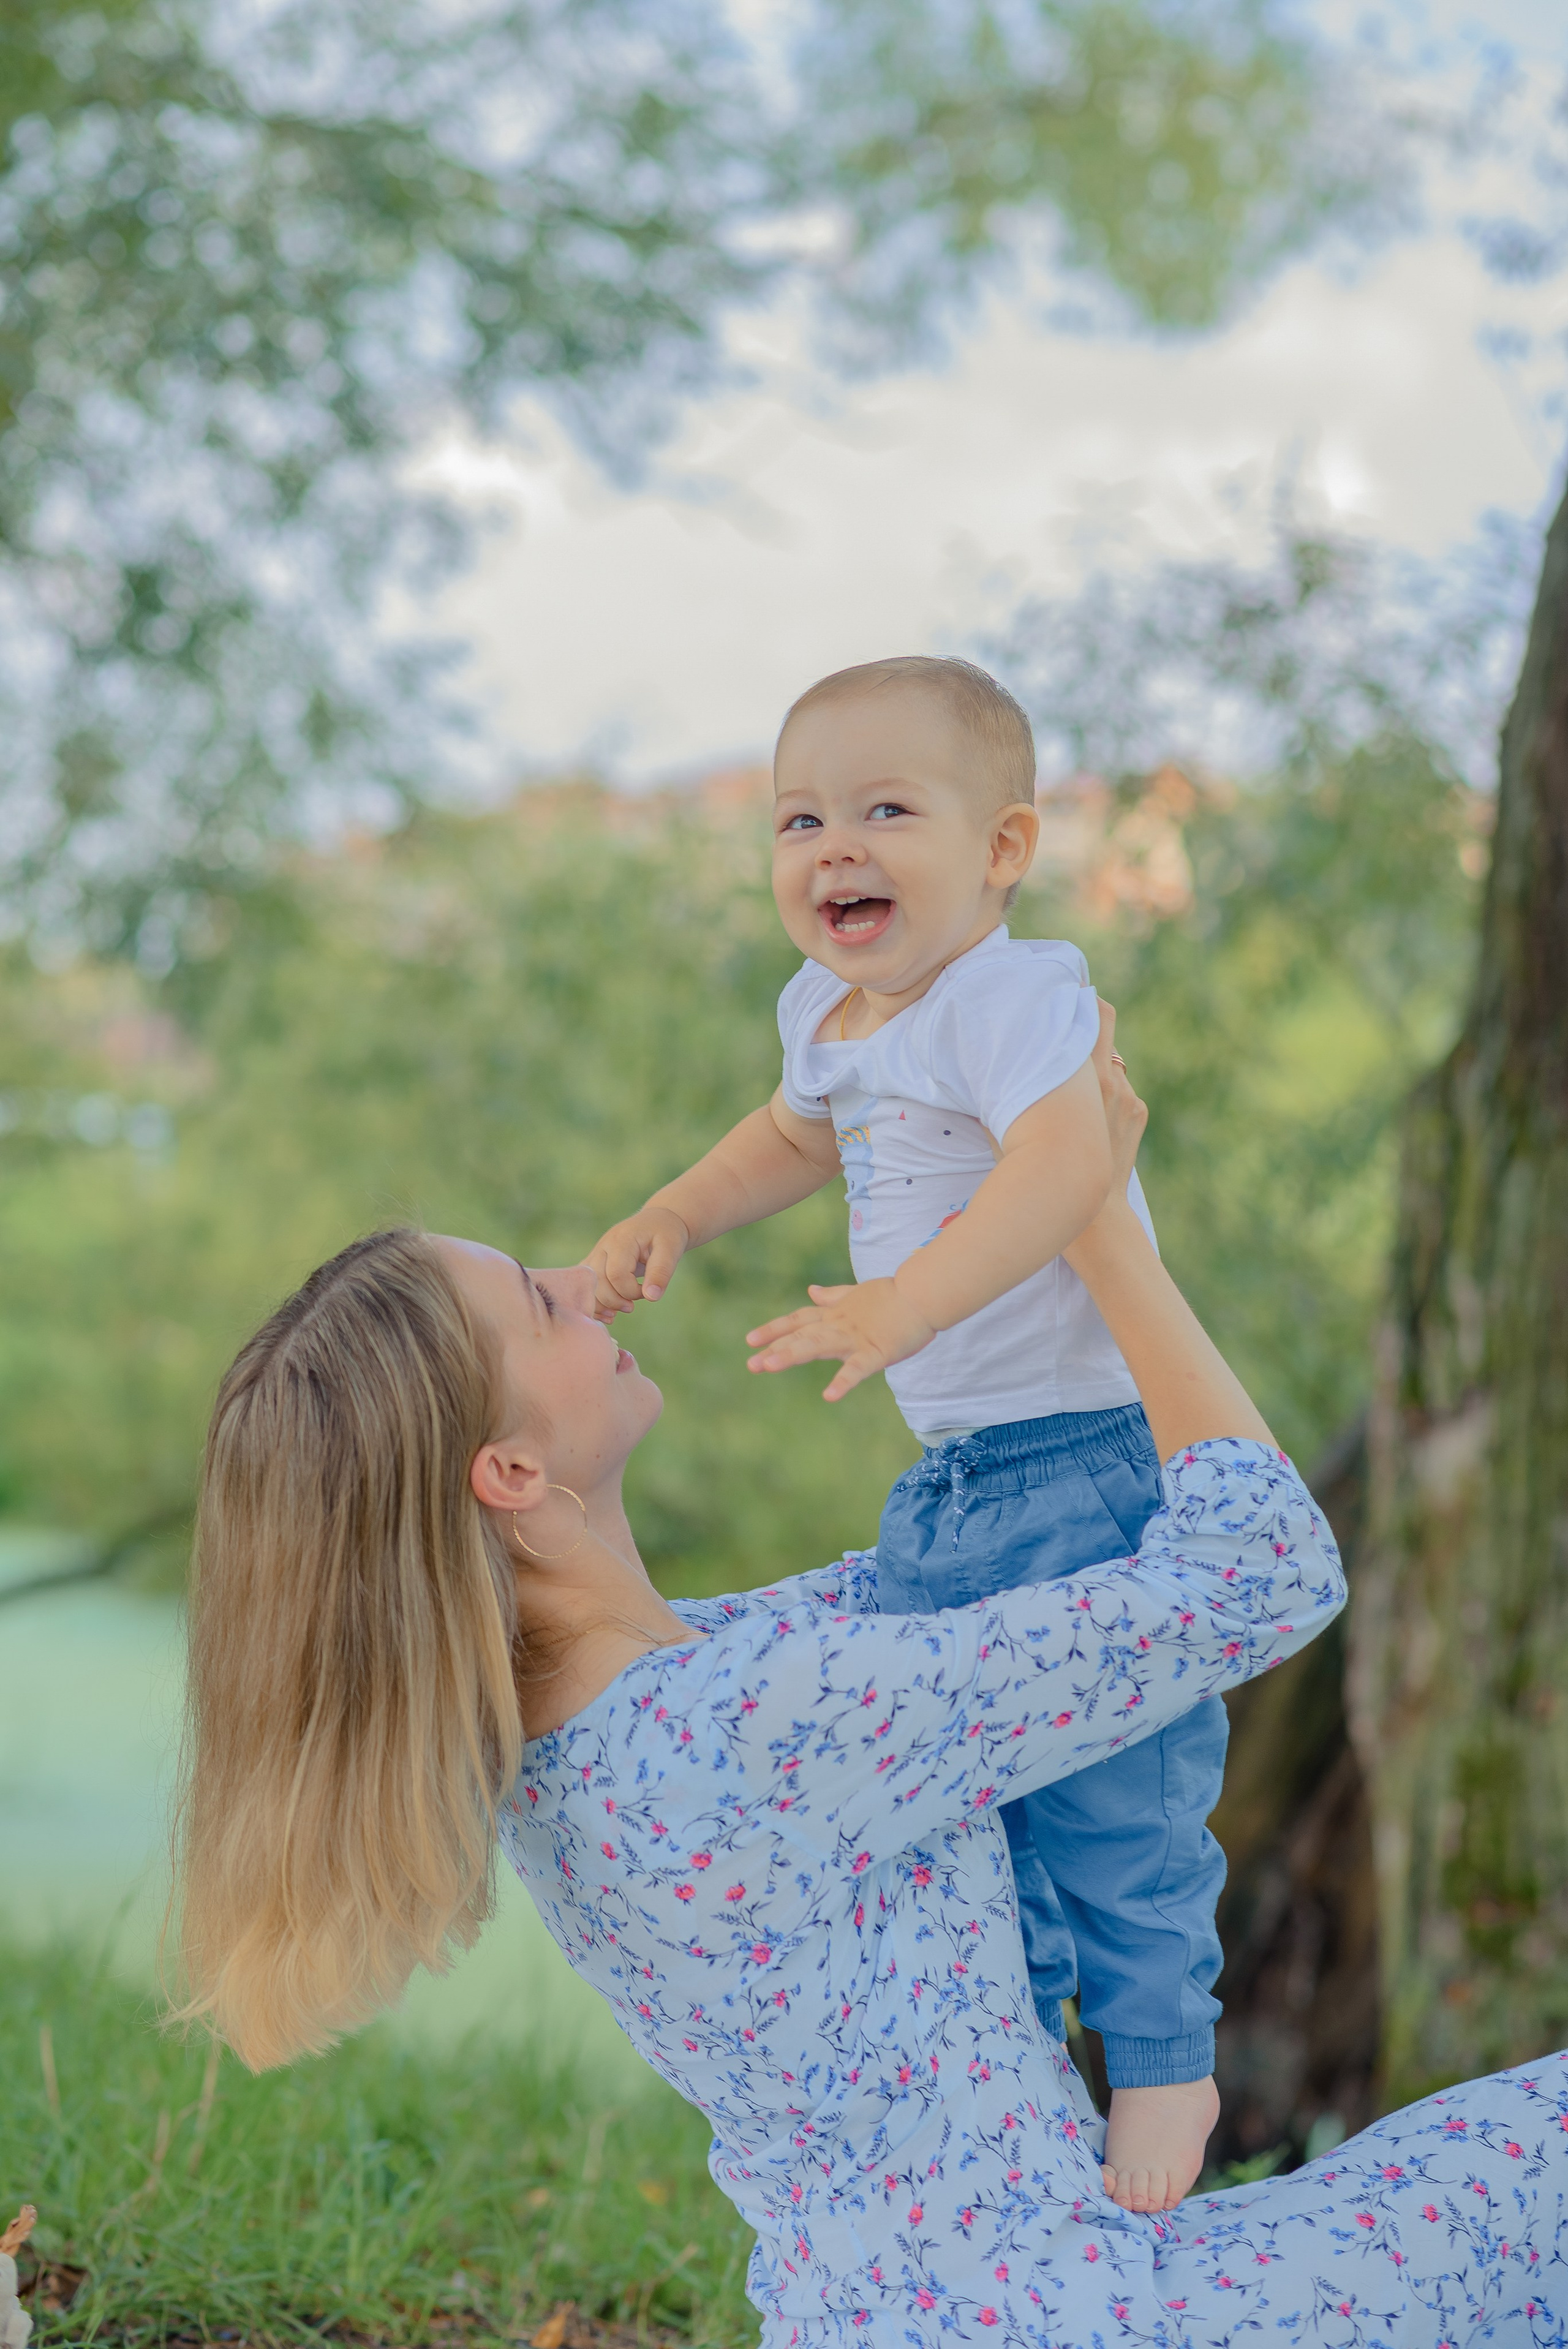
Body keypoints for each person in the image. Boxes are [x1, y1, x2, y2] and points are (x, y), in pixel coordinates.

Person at [172, 1020, 1568, 2346]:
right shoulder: (753, 1719)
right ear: (513, 1473)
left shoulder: (603, 1731)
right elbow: (1262, 1566)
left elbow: (1015, 1578)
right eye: (539, 1302)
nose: (582, 1280)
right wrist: (1090, 1223)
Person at [586, 655, 1225, 2211]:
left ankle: (1162, 2063)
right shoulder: (830, 1006)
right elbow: (794, 1132)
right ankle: (1023, 2077)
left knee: (1116, 1789)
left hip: (1077, 1457)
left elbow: (1063, 1161)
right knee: (979, 1798)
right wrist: (680, 1207)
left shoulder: (1010, 995)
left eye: (887, 810)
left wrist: (907, 1308)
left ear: (1000, 849)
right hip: (955, 1480)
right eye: (801, 818)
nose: (834, 848)